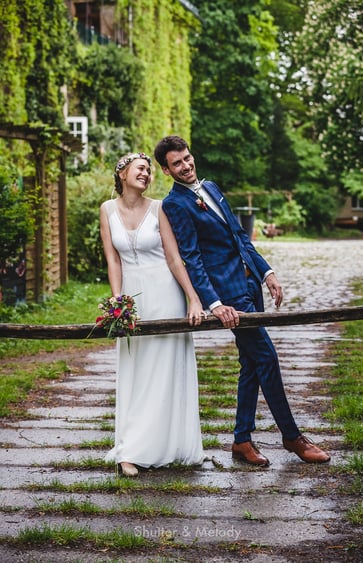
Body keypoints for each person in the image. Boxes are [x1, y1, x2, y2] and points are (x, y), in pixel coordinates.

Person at [154, 135, 331, 466]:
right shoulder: (174, 205)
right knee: (267, 357)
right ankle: (292, 437)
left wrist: (267, 273)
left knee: (251, 363)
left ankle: (242, 441)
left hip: (251, 287)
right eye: (177, 163)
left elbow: (239, 238)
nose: (186, 166)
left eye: (187, 158)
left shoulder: (213, 187)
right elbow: (192, 257)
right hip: (230, 297)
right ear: (166, 170)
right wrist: (215, 303)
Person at [100, 151, 205, 476]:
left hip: (165, 294)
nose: (146, 174)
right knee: (137, 371)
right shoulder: (106, 210)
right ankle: (129, 451)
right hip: (133, 299)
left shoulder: (160, 208)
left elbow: (174, 259)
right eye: (140, 169)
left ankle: (167, 444)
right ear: (122, 173)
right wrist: (117, 302)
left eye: (149, 170)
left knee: (166, 371)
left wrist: (193, 299)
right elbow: (113, 261)